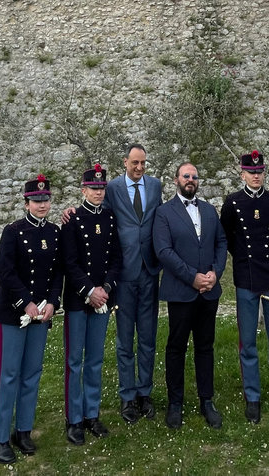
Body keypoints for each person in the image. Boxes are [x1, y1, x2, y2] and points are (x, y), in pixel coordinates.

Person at [220, 149, 269, 422]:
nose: (256, 176)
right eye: (251, 172)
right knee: (248, 343)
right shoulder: (232, 202)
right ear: (242, 173)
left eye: (259, 172)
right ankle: (252, 397)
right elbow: (228, 237)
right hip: (246, 278)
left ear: (264, 173)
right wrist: (244, 258)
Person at [0, 174, 62, 465]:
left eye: (45, 200)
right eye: (36, 200)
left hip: (40, 314)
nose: (42, 205)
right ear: (26, 203)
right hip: (13, 314)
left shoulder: (54, 232)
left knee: (32, 373)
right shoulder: (13, 231)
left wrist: (53, 303)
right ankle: (0, 437)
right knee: (8, 375)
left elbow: (58, 273)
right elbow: (4, 272)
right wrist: (25, 303)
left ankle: (23, 431)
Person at [153, 161, 228, 429]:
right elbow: (164, 251)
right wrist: (192, 277)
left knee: (205, 347)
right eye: (186, 176)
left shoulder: (209, 210)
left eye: (195, 176)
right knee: (176, 347)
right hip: (181, 292)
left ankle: (206, 400)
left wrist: (215, 273)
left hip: (209, 292)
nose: (191, 180)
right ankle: (175, 403)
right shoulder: (164, 213)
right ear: (176, 180)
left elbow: (221, 242)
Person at [61, 163, 123, 445]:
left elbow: (116, 258)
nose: (98, 192)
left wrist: (106, 288)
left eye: (101, 188)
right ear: (83, 190)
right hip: (79, 299)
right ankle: (74, 418)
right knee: (75, 361)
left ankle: (91, 414)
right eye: (93, 188)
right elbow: (69, 262)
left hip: (102, 299)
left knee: (95, 360)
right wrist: (89, 290)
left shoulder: (109, 218)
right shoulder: (72, 220)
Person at [105, 143, 163, 422]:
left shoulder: (155, 186)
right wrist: (72, 212)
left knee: (148, 337)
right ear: (125, 162)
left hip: (149, 271)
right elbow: (101, 217)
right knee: (125, 339)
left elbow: (161, 219)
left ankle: (144, 392)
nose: (139, 168)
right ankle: (127, 396)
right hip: (125, 273)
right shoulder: (112, 188)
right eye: (135, 163)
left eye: (143, 163)